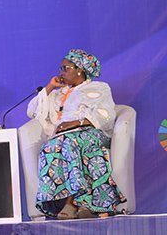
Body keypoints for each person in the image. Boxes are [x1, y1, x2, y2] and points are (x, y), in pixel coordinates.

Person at [27, 49, 126, 219]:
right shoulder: (58, 93)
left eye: (65, 68)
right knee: (50, 147)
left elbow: (107, 114)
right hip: (63, 136)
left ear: (79, 69)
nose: (61, 73)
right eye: (60, 69)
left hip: (91, 132)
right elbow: (32, 111)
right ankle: (60, 201)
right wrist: (50, 87)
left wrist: (77, 122)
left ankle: (72, 203)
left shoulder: (99, 88)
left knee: (69, 143)